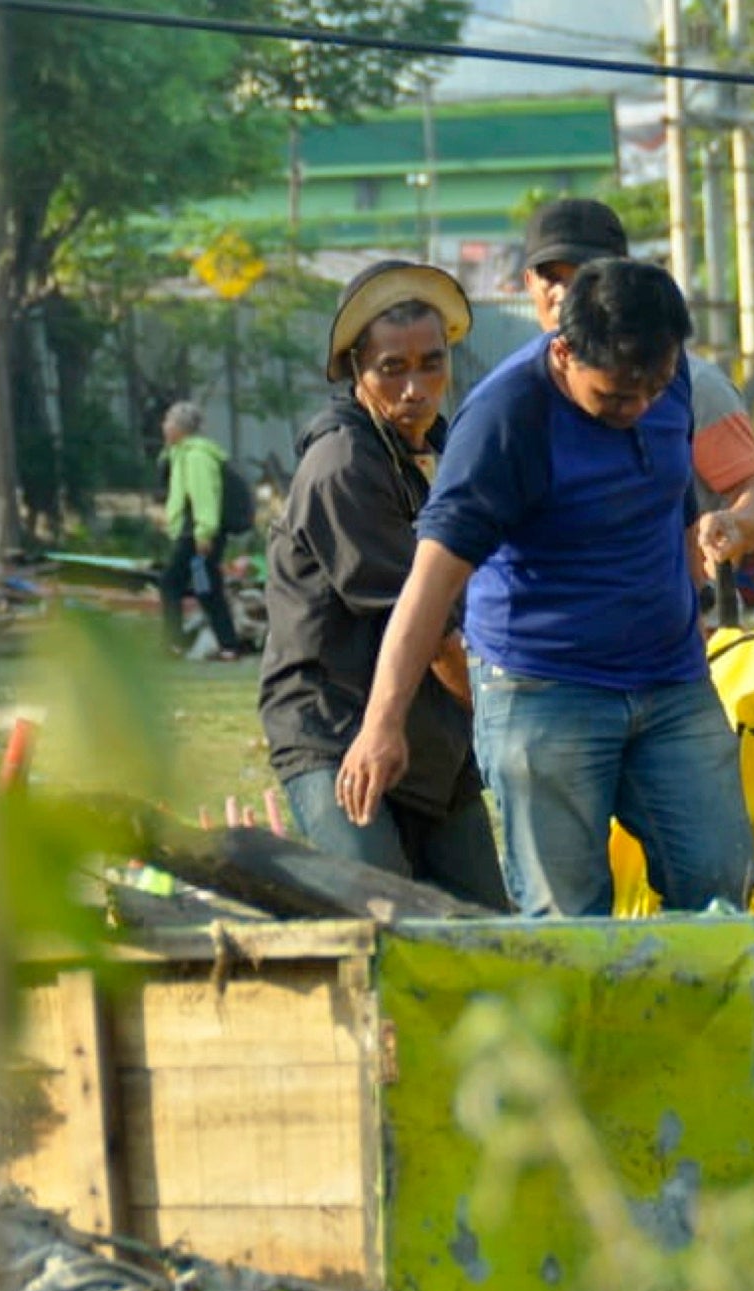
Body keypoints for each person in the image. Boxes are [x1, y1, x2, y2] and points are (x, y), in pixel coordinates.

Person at [337, 257, 754, 918]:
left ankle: (695, 1020)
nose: (641, 406)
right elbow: (431, 579)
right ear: (563, 351)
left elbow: (665, 500)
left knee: (719, 879)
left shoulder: (663, 379)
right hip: (543, 690)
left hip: (671, 681)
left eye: (656, 385)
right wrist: (382, 723)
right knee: (567, 918)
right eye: (617, 397)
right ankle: (582, 1024)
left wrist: (689, 597)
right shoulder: (507, 420)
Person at [256, 261, 508, 908]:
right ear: (354, 370)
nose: (416, 388)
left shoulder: (446, 451)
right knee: (389, 927)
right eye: (392, 368)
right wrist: (511, 726)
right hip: (337, 731)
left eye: (432, 362)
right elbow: (433, 628)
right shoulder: (341, 462)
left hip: (434, 740)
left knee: (489, 933)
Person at [519, 198, 754, 583]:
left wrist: (735, 524)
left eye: (584, 277)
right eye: (553, 277)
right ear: (528, 282)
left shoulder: (694, 386)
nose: (566, 293)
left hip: (686, 626)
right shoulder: (514, 398)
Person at [157, 400, 244, 660]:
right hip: (194, 533)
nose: (164, 427)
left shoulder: (196, 457)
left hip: (197, 534)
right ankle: (228, 645)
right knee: (207, 589)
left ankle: (173, 644)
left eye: (168, 422)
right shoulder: (182, 454)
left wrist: (204, 531)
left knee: (170, 584)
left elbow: (203, 496)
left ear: (179, 427)